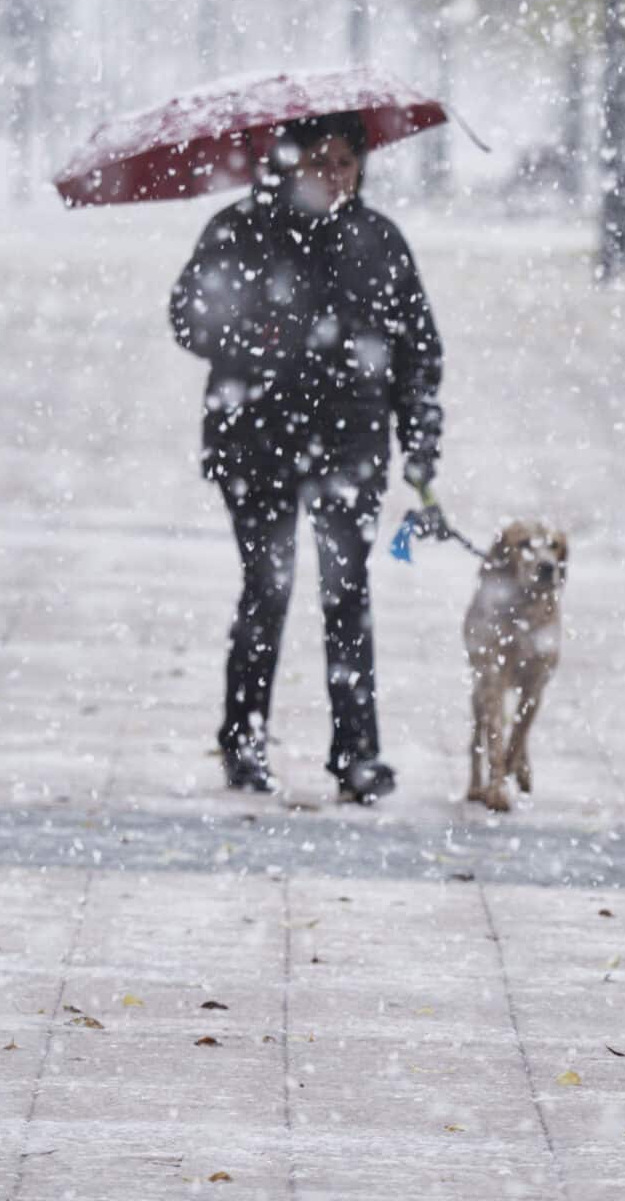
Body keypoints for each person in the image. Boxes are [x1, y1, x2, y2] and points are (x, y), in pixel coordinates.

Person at [169, 111, 443, 804]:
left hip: (350, 444)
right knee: (268, 586)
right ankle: (244, 738)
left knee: (346, 593)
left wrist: (420, 443)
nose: (334, 174)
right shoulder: (242, 229)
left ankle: (357, 755)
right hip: (255, 437)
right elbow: (186, 314)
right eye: (319, 159)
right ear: (287, 161)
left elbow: (417, 349)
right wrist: (252, 335)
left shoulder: (378, 240)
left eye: (346, 161)